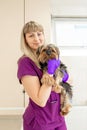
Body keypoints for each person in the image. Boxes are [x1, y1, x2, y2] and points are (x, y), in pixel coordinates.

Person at [17, 21, 67, 130]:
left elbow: (69, 80)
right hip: (40, 121)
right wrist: (50, 73)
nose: (36, 39)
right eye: (31, 35)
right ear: (25, 39)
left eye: (39, 34)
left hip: (58, 117)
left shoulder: (49, 55)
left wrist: (64, 77)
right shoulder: (25, 62)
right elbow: (41, 101)